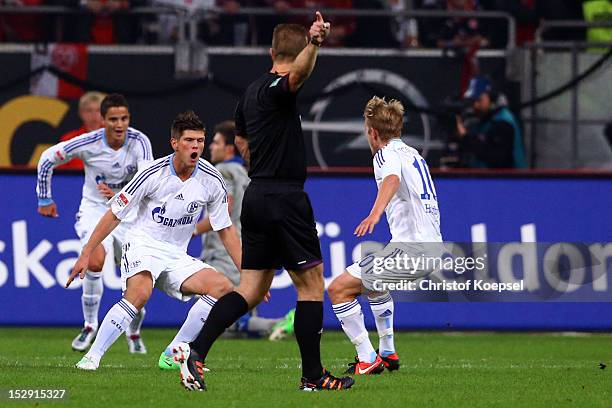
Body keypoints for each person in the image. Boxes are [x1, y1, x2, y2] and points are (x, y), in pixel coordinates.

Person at [175, 12, 355, 392]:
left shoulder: (251, 92)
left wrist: (260, 158)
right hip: (285, 197)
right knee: (311, 287)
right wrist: (316, 43)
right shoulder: (277, 87)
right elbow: (296, 77)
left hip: (256, 196)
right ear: (295, 51)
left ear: (271, 50)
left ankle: (196, 351)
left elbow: (240, 140)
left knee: (251, 289)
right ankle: (313, 376)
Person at [66, 110, 241, 371]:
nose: (196, 147)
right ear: (175, 143)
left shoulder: (211, 178)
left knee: (222, 287)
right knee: (140, 293)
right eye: (189, 141)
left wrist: (246, 272)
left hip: (176, 254)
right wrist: (86, 253)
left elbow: (225, 228)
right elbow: (114, 214)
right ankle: (92, 356)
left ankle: (174, 351)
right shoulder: (152, 173)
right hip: (142, 244)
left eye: (200, 141)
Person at [327, 96, 443, 375]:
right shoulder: (414, 154)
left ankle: (367, 358)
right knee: (373, 284)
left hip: (411, 249)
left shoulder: (384, 153)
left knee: (338, 289)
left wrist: (374, 214)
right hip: (432, 247)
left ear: (372, 132)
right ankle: (388, 352)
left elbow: (392, 179)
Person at [157, 121, 282, 370]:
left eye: (214, 142)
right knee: (233, 308)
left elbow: (224, 209)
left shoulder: (222, 171)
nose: (210, 147)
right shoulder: (246, 173)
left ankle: (180, 352)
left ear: (228, 148)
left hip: (221, 247)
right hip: (241, 242)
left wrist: (191, 229)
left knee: (217, 306)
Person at [36, 93, 152, 353]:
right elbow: (46, 158)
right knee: (95, 260)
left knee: (137, 274)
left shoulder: (140, 141)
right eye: (113, 119)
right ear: (103, 120)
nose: (120, 124)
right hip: (95, 210)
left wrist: (123, 195)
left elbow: (147, 180)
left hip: (130, 214)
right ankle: (90, 325)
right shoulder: (88, 142)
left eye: (124, 118)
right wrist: (44, 198)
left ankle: (133, 330)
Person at [456, 75, 527, 168]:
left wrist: (465, 138)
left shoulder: (503, 122)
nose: (475, 105)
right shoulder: (486, 120)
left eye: (479, 100)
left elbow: (494, 156)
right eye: (473, 101)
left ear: (491, 98)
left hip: (509, 180)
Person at [58, 91, 105, 170]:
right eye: (89, 110)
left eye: (98, 110)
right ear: (81, 113)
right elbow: (60, 172)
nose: (94, 115)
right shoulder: (69, 140)